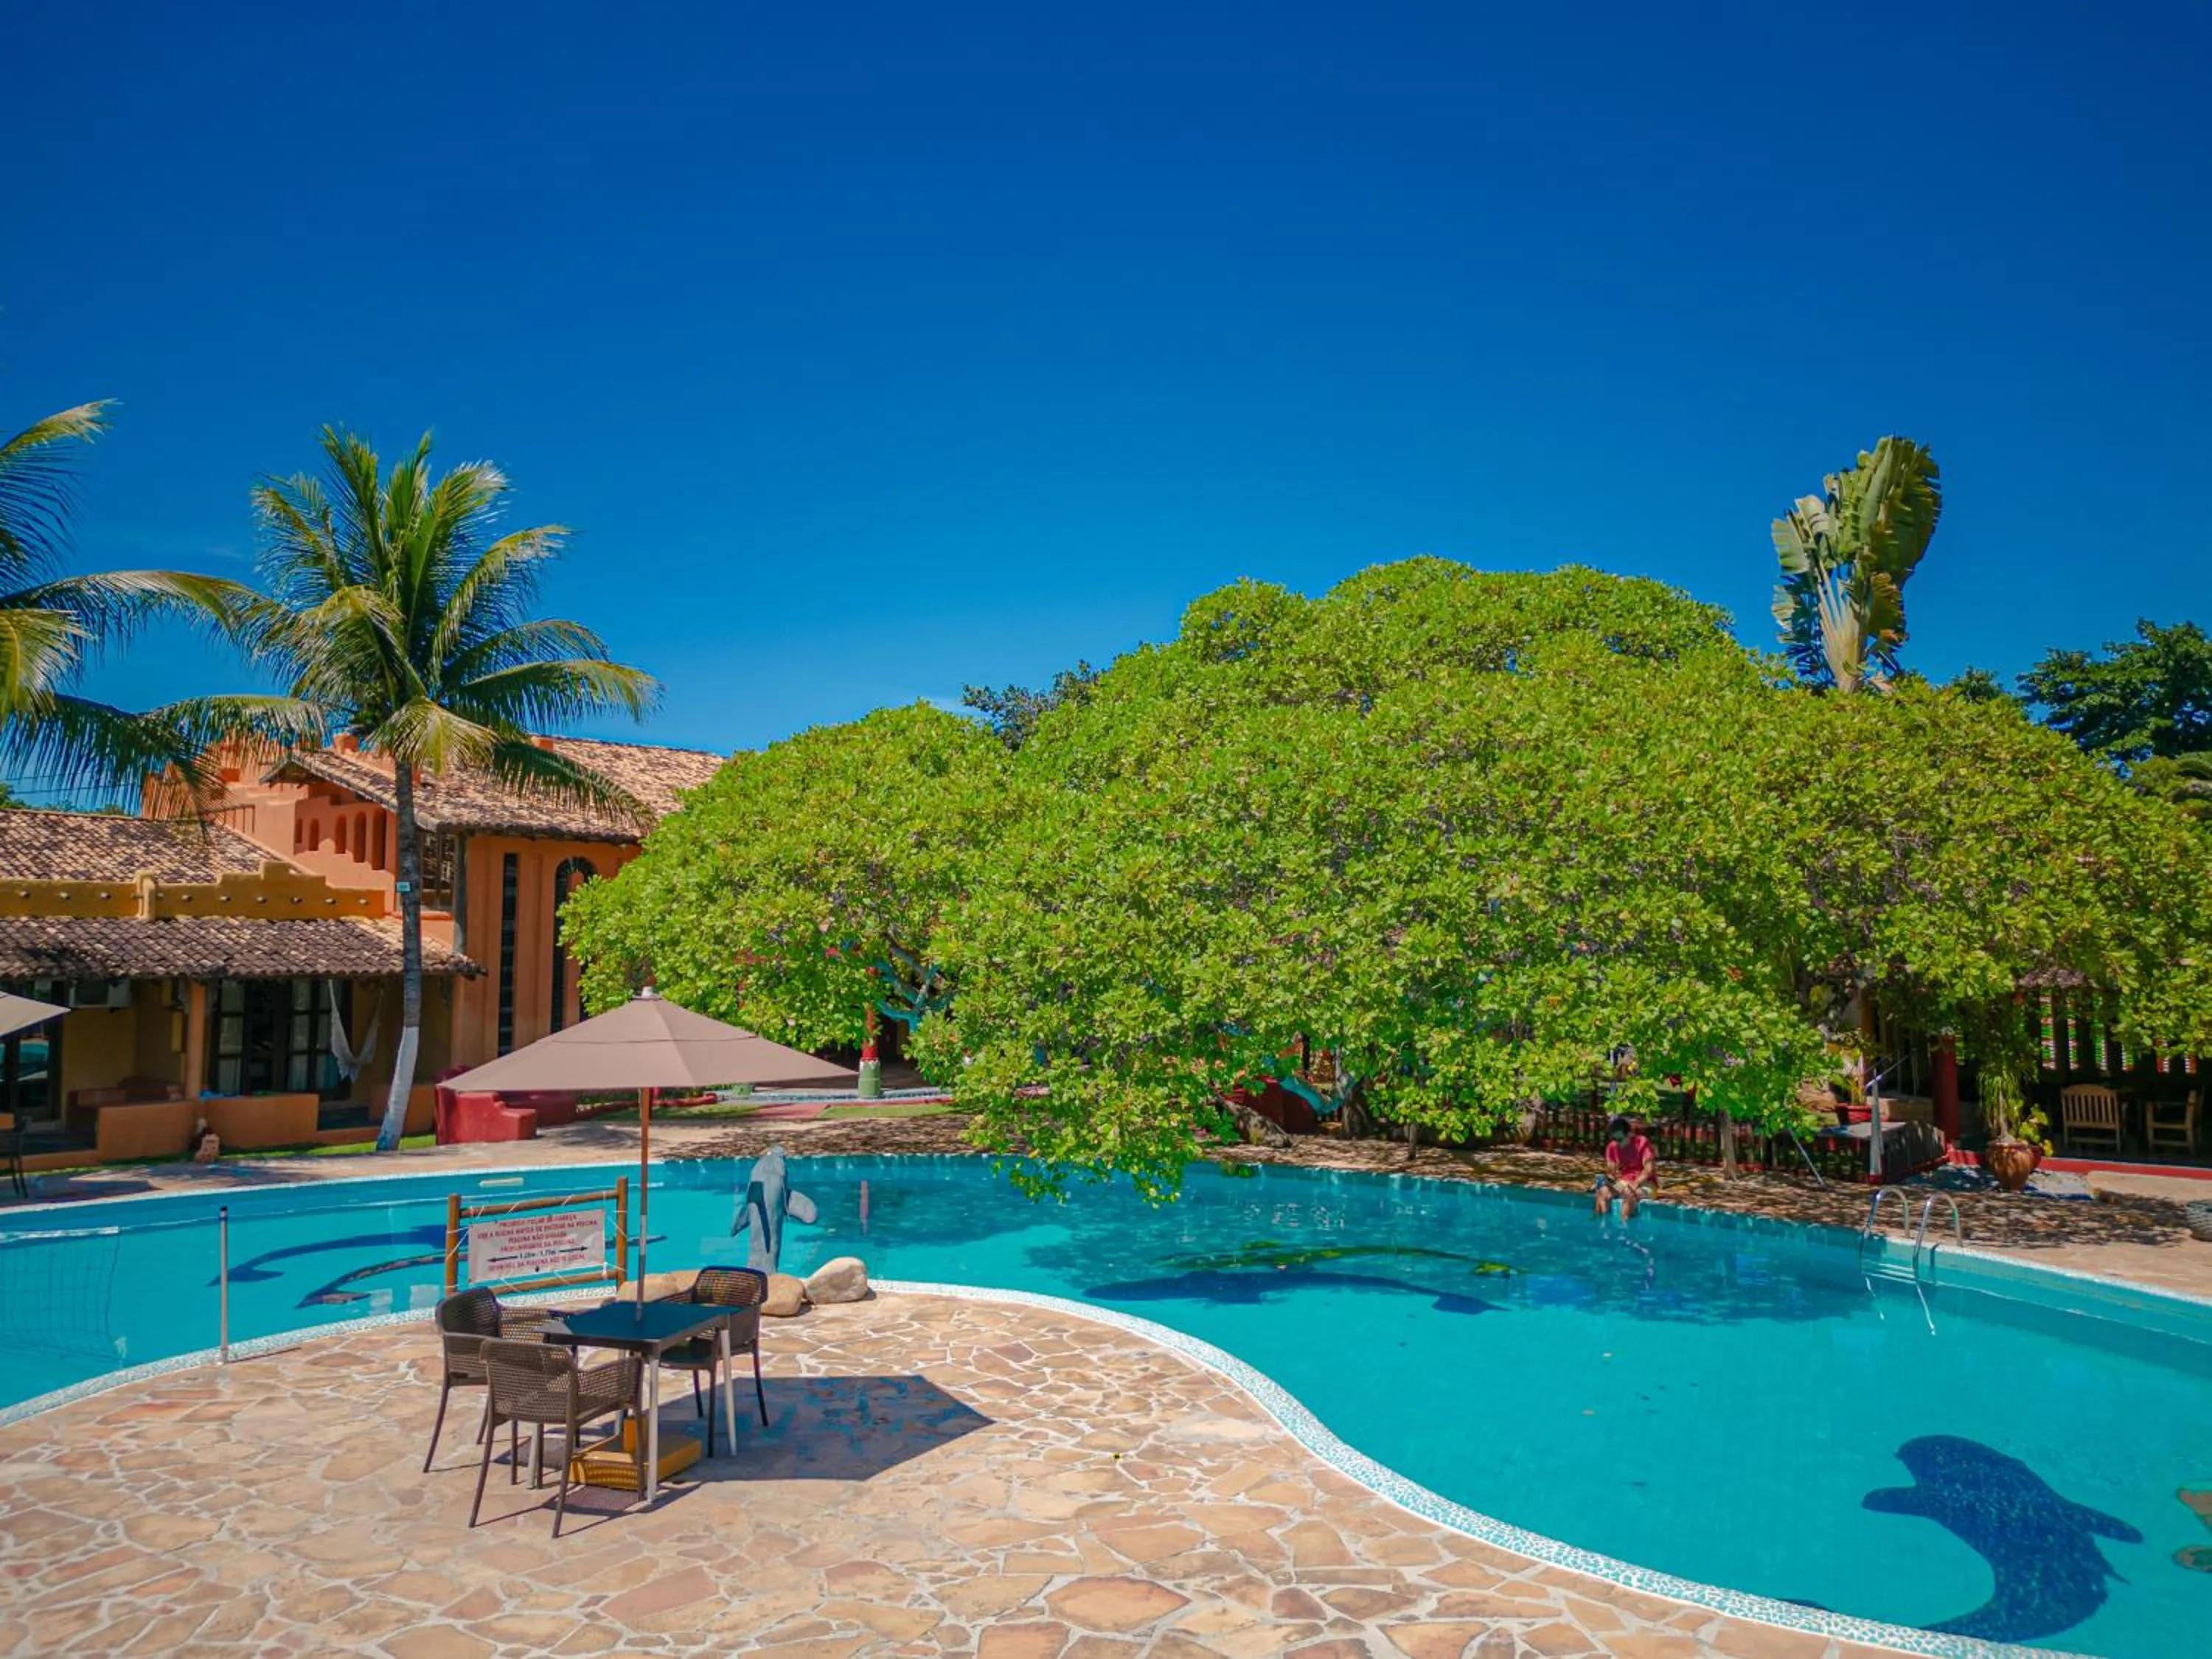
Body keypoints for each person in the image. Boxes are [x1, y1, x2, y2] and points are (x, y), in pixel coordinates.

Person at [1593, 1114, 1656, 1218]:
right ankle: (1603, 1227)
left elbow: (1648, 1170)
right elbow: (1611, 1172)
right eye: (1614, 1139)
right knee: (1602, 1192)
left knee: (1629, 1195)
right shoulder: (1612, 1147)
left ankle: (1624, 1228)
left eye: (1620, 1139)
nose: (1617, 1143)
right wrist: (1608, 1182)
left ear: (1629, 1134)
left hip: (1646, 1184)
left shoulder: (1642, 1143)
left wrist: (1634, 1184)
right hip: (1625, 1182)